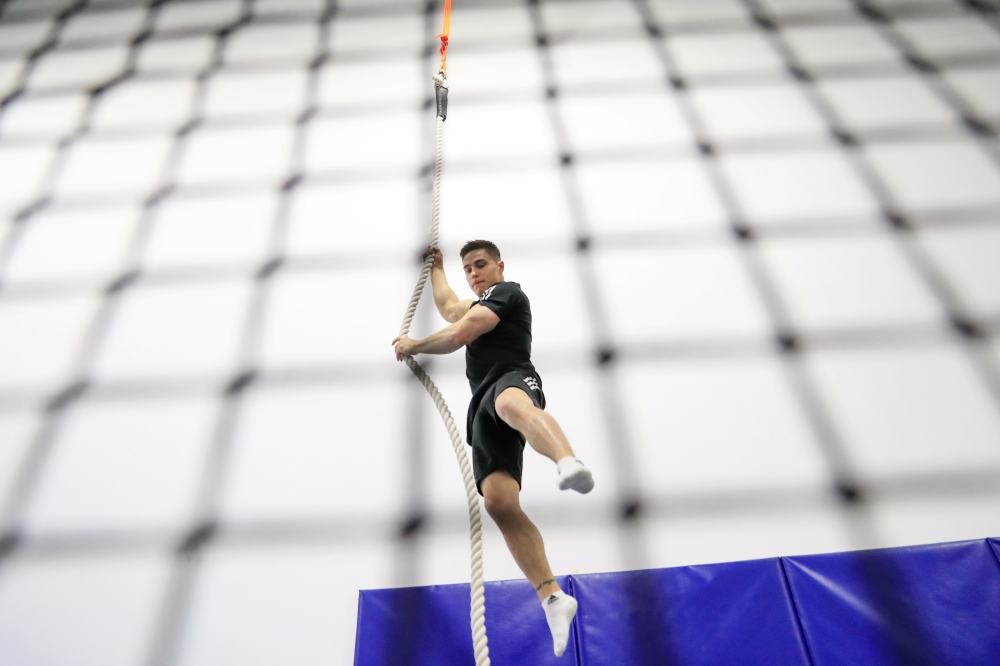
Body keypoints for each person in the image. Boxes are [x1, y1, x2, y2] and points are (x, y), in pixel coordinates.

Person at [392, 240, 594, 657]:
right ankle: (552, 597)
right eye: (468, 269)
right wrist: (437, 267)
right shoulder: (473, 300)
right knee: (498, 502)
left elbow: (461, 332)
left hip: (512, 378)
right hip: (480, 404)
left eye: (480, 264)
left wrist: (415, 345)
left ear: (500, 266)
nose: (474, 273)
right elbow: (451, 308)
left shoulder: (507, 293)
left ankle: (568, 461)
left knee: (510, 405)